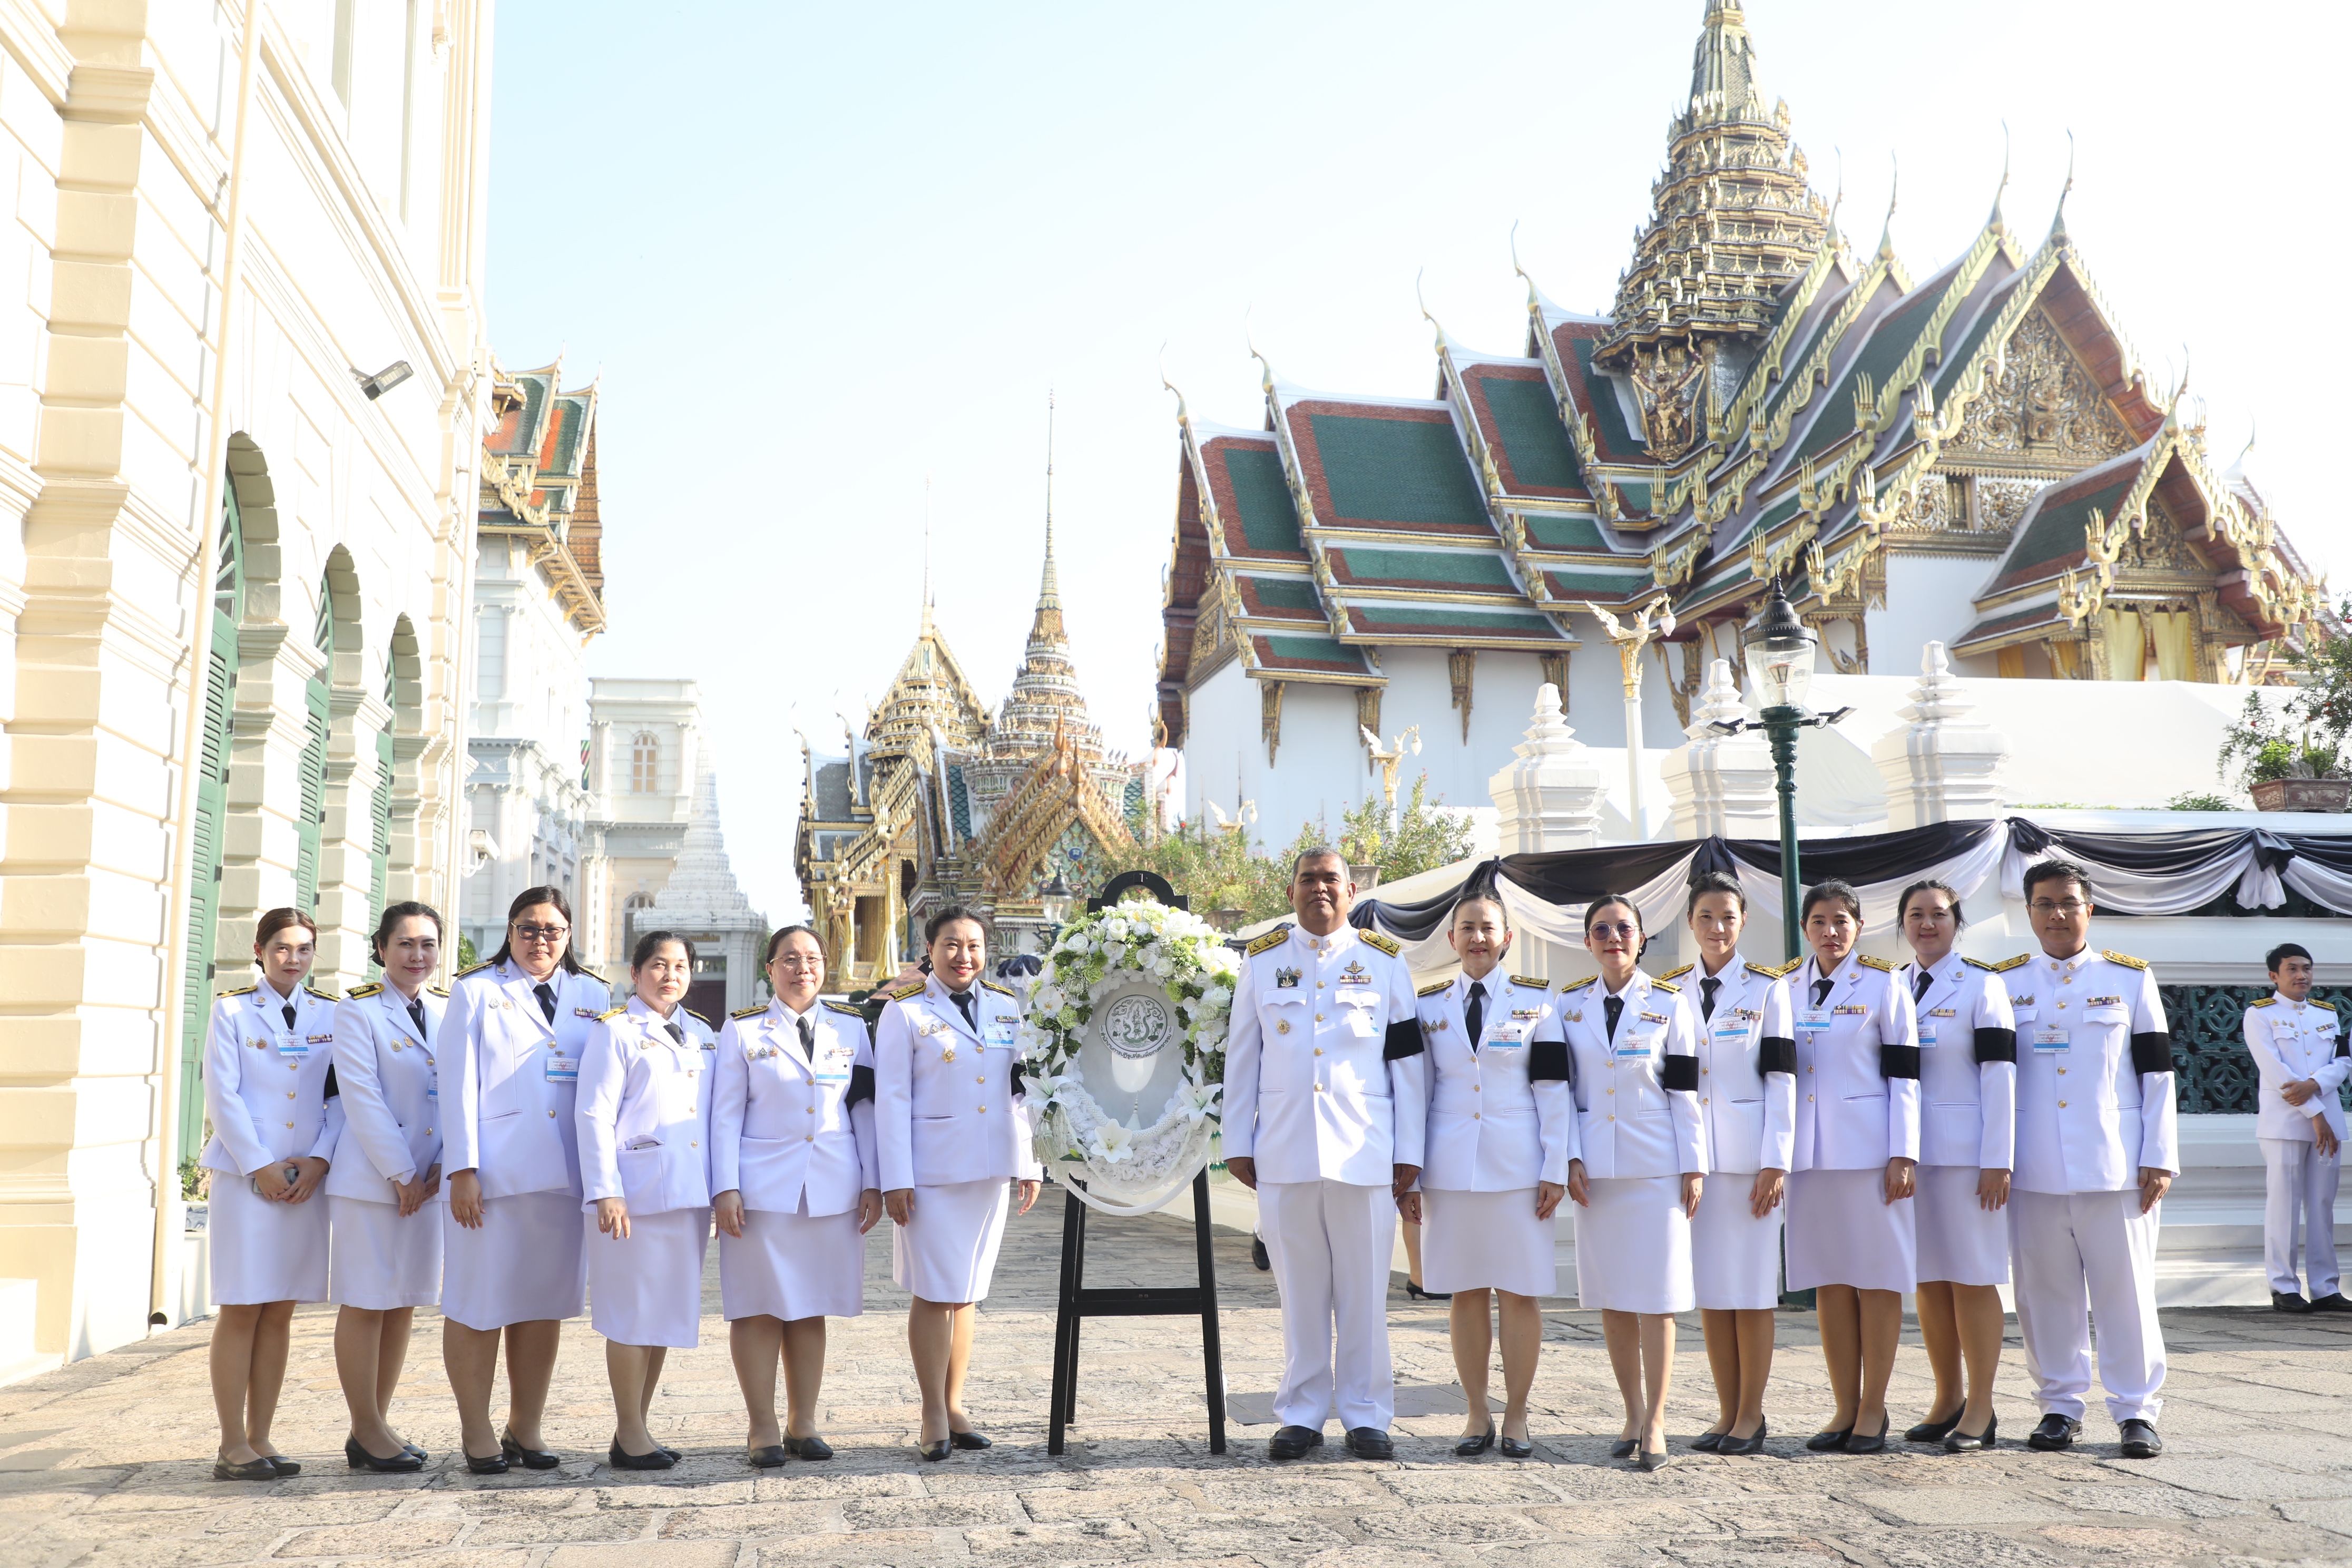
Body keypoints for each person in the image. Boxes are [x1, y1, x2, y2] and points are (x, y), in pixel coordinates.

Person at [1223, 848, 1425, 1462]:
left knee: (1364, 1293)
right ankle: (1303, 1413)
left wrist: (1409, 1150)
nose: (1320, 889)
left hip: (1365, 1150)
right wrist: (1237, 1141)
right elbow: (1242, 1059)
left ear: (1352, 890)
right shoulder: (1261, 965)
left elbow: (1409, 1065)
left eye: (1331, 879)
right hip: (1284, 1149)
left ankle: (1367, 1415)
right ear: (1291, 893)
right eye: (1308, 879)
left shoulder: (1385, 963)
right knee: (1300, 1294)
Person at [2006, 859, 2175, 1459]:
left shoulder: (2128, 979)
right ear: (2028, 912)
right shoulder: (2006, 982)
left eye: (2068, 903)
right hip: (2032, 1167)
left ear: (2089, 910)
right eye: (2045, 904)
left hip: (2116, 1168)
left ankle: (2137, 1411)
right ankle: (2059, 1405)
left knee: (2125, 1293)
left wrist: (2159, 1155)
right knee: (2043, 1294)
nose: (2057, 914)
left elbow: (2157, 1074)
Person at [439, 886, 607, 1474]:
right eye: (529, 929)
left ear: (568, 935)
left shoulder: (594, 994)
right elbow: (457, 1086)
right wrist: (462, 1169)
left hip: (564, 1176)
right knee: (478, 1304)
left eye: (553, 930)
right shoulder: (477, 991)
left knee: (542, 1305)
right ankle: (476, 1427)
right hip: (493, 1177)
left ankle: (525, 1426)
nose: (541, 940)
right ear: (510, 933)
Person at [875, 907, 1042, 1461]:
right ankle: (931, 1411)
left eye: (973, 945)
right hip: (930, 1175)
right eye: (951, 944)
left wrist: (1029, 1162)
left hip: (988, 1168)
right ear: (929, 948)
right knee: (933, 1290)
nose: (963, 956)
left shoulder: (1004, 1006)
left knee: (967, 1291)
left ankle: (955, 1403)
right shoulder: (904, 1013)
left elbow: (1019, 1092)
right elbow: (891, 1102)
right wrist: (894, 1179)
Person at [712, 926, 883, 1466]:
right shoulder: (742, 1031)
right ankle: (761, 1426)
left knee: (811, 1309)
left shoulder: (851, 1028)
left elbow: (864, 1110)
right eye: (789, 959)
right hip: (762, 1193)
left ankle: (803, 1423)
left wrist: (873, 1179)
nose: (801, 968)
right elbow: (723, 1116)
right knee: (759, 1309)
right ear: (770, 968)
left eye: (812, 958)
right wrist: (725, 1186)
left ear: (825, 966)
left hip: (832, 1188)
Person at [1408, 893, 1570, 1459]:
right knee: (1466, 1294)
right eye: (1467, 929)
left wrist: (1555, 1165)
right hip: (1450, 1171)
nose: (1477, 938)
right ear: (1451, 940)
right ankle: (1476, 1413)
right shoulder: (1426, 1005)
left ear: (1506, 938)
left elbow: (1553, 1090)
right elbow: (1415, 1094)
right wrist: (1409, 1174)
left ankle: (1518, 1414)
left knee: (1520, 1294)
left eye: (1488, 929)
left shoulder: (1536, 1002)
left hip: (1519, 1171)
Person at [1559, 895, 1702, 1472]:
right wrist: (1566, 1157)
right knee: (1613, 1297)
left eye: (1624, 928)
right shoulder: (1567, 1008)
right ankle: (1632, 1412)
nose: (1613, 937)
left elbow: (1686, 1089)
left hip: (1656, 1168)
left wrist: (1694, 1165)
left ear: (1641, 938)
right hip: (1597, 1172)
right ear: (1588, 941)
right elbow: (1561, 1094)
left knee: (1658, 1299)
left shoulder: (1671, 1003)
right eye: (1602, 929)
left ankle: (1659, 1421)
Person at [200, 908, 343, 1479]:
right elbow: (223, 1094)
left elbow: (340, 1099)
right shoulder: (232, 1010)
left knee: (280, 1310)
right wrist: (259, 1164)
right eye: (282, 947)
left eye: (305, 948)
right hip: (247, 1179)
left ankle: (261, 1436)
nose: (294, 958)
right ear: (259, 950)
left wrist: (319, 1160)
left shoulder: (331, 1015)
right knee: (242, 1307)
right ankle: (231, 1441)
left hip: (305, 1181)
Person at [1785, 879, 1919, 1455]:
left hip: (1870, 1155)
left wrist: (1904, 1151)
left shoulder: (1885, 985)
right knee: (1830, 1280)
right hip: (1809, 1159)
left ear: (1858, 927)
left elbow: (1906, 1074)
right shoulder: (1784, 986)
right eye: (1819, 921)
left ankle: (1873, 1408)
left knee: (1878, 1277)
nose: (1830, 931)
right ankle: (1843, 1405)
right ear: (1804, 928)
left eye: (1841, 920)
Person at [576, 931, 718, 1472]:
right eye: (658, 965)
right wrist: (606, 1189)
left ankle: (636, 1426)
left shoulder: (702, 1034)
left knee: (661, 1316)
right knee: (632, 1315)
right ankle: (630, 1430)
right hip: (631, 1198)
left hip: (685, 1194)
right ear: (635, 974)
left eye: (680, 966)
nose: (670, 975)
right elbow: (593, 1115)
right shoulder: (615, 1032)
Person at [1668, 871, 1794, 1457]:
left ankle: (1751, 1414)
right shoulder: (1669, 991)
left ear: (1743, 921)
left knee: (1751, 1291)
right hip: (1694, 1163)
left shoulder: (1770, 990)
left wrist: (1776, 1159)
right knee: (1714, 1293)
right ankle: (1725, 1411)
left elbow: (1782, 1079)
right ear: (1690, 923)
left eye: (1728, 917)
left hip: (1749, 1165)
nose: (1717, 928)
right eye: (1706, 918)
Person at [325, 903, 449, 1474]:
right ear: (381, 949)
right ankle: (366, 1427)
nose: (417, 955)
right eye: (405, 944)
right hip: (374, 1181)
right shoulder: (359, 1014)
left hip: (429, 1183)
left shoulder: (449, 1012)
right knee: (367, 1300)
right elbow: (362, 1098)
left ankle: (378, 1423)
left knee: (402, 1304)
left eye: (427, 944)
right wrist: (401, 1174)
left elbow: (462, 1097)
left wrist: (438, 1171)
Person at [1896, 879, 2017, 1453]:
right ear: (1902, 925)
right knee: (1928, 1281)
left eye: (1938, 915)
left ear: (1956, 922)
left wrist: (1998, 1158)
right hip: (1908, 1159)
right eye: (1916, 915)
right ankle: (1948, 1397)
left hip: (1968, 1159)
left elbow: (1999, 1076)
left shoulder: (1982, 986)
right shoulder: (1890, 986)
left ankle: (1983, 1408)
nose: (1927, 924)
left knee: (1972, 1276)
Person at [2245, 942, 2349, 1314]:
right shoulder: (2260, 1015)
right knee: (2284, 1204)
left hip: (2328, 1121)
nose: (2301, 975)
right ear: (2274, 976)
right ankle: (2284, 1287)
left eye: (2306, 968)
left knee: (2322, 1204)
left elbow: (2343, 1060)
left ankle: (2325, 1287)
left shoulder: (2327, 1013)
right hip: (2286, 1123)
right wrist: (2315, 1111)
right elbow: (2276, 1072)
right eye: (2292, 969)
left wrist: (2317, 1085)